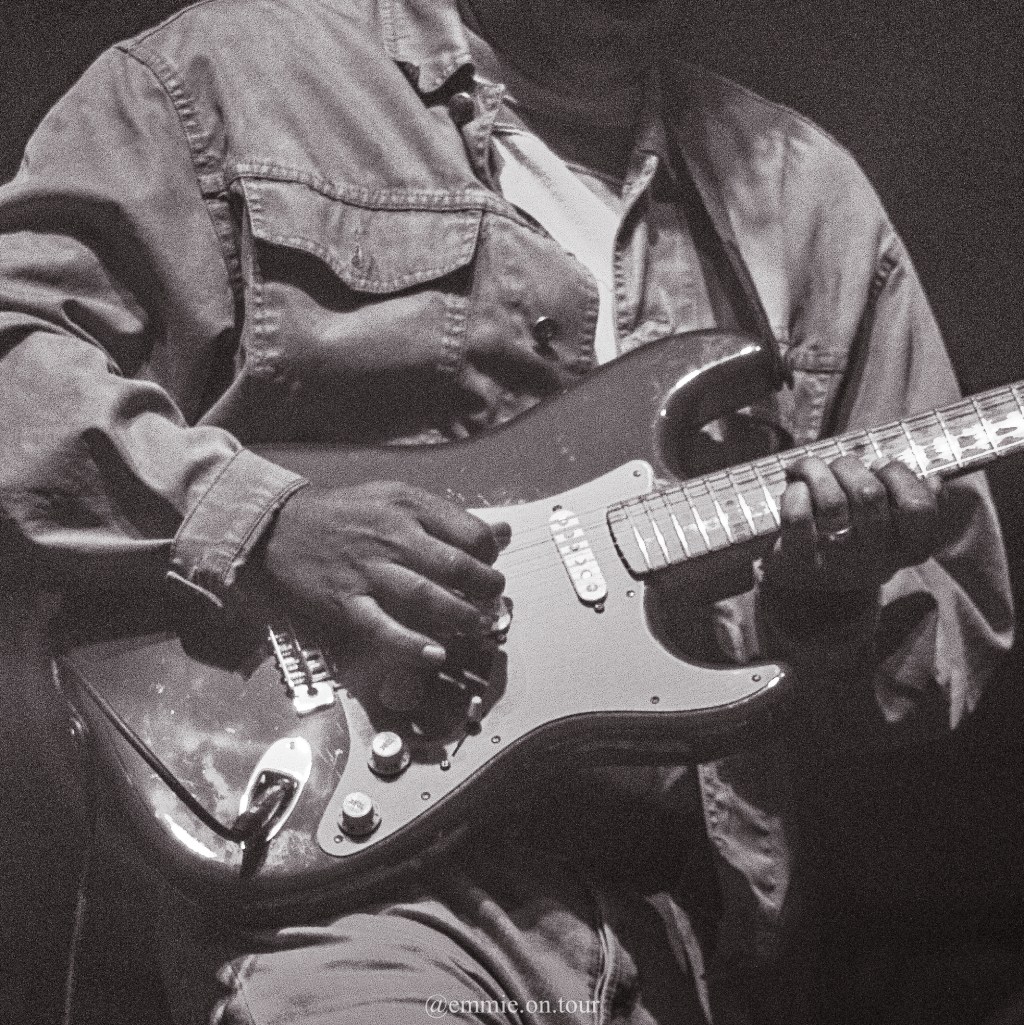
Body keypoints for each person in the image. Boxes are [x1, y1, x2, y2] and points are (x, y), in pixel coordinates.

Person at [0, 0, 1013, 1021]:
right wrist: (262, 523)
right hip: (339, 895)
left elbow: (940, 646)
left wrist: (822, 601)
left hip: (670, 926)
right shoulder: (231, 76)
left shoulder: (809, 201)